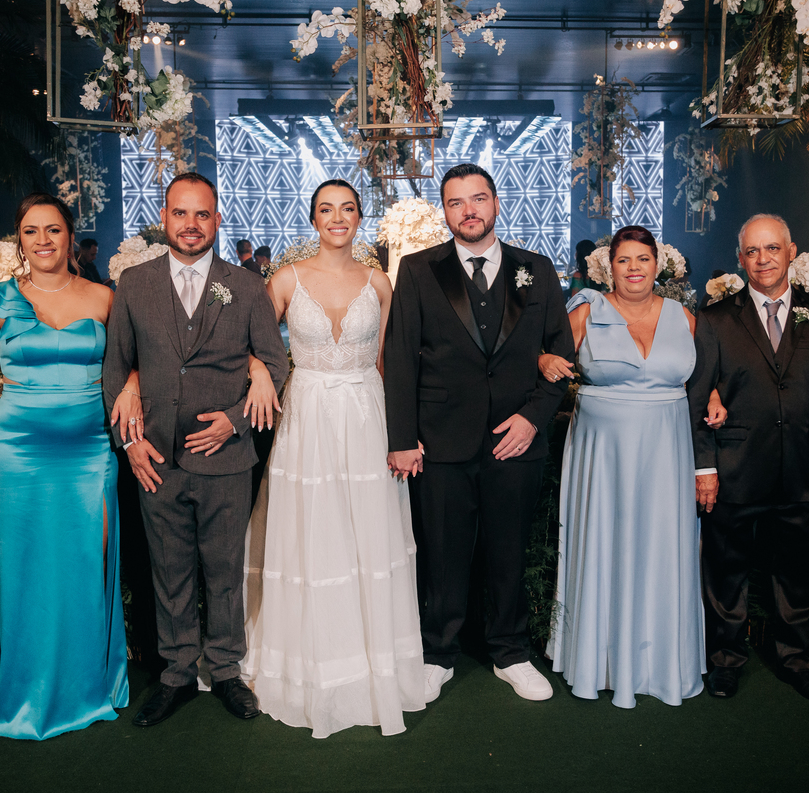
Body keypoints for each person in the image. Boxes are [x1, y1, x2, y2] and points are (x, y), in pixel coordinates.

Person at [102, 172, 289, 727]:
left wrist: (235, 422)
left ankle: (227, 671)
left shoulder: (247, 286)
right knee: (170, 570)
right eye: (180, 213)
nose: (191, 224)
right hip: (155, 459)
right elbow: (115, 369)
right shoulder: (134, 284)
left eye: (202, 214)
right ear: (164, 218)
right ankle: (177, 672)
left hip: (227, 460)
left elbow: (274, 364)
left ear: (218, 219)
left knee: (224, 571)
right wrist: (130, 442)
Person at [383, 163, 575, 703]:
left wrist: (533, 417)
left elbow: (561, 353)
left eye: (478, 198)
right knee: (442, 555)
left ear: (495, 203)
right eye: (456, 202)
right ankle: (438, 653)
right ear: (445, 212)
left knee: (508, 551)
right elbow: (400, 356)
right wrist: (402, 438)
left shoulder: (536, 269)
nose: (469, 210)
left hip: (516, 440)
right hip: (440, 441)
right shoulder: (418, 270)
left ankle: (510, 652)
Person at [241, 179, 424, 738]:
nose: (337, 218)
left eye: (347, 209)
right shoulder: (285, 280)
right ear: (314, 219)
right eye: (326, 209)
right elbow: (249, 340)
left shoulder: (379, 281)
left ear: (359, 217)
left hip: (368, 414)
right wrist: (258, 371)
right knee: (313, 532)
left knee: (368, 533)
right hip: (309, 417)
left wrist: (404, 432)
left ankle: (373, 664)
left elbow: (392, 362)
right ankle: (310, 666)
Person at [0, 193, 130, 739]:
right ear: (20, 240)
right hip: (21, 447)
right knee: (26, 566)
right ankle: (23, 694)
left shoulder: (104, 298)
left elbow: (132, 364)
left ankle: (86, 687)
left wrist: (133, 385)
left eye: (53, 229)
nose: (43, 240)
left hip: (91, 447)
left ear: (70, 236)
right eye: (31, 231)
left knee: (86, 561)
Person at [536, 226, 726, 708]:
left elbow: (707, 375)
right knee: (604, 543)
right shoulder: (585, 310)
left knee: (662, 546)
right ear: (609, 268)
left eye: (643, 259)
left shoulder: (684, 316)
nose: (634, 268)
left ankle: (659, 664)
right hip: (602, 454)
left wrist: (715, 394)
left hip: (667, 451)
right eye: (624, 260)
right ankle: (597, 662)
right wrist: (542, 360)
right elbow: (542, 352)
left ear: (658, 265)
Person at [687, 214, 809, 706]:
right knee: (725, 573)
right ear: (740, 259)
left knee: (798, 573)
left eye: (772, 248)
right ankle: (724, 662)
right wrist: (704, 467)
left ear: (791, 251)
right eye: (753, 251)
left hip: (803, 471)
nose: (763, 259)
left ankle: (797, 662)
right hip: (734, 468)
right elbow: (698, 397)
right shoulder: (715, 318)